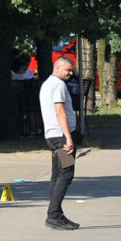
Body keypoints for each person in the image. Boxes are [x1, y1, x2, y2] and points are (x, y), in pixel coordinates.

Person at [40, 56, 80, 230]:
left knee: (57, 175)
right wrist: (68, 138)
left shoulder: (48, 83)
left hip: (53, 135)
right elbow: (59, 112)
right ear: (58, 68)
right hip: (61, 136)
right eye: (68, 70)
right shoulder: (57, 85)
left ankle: (57, 213)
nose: (71, 73)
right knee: (66, 174)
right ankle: (53, 214)